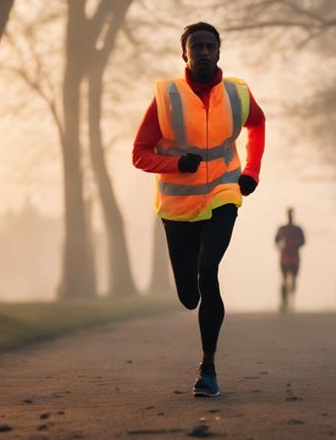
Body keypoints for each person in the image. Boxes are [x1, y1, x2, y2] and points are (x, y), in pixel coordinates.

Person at [132, 22, 265, 398]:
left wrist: (251, 171)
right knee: (189, 295)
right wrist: (176, 165)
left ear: (219, 52)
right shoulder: (166, 97)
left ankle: (208, 368)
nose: (204, 52)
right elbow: (139, 154)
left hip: (224, 193)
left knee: (209, 270)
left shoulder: (237, 93)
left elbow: (258, 124)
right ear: (185, 55)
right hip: (177, 205)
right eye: (197, 46)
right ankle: (194, 308)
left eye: (210, 46)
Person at [274, 207, 306, 313]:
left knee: (293, 280)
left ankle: (290, 301)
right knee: (284, 280)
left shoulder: (297, 229)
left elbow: (303, 242)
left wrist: (295, 245)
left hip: (294, 258)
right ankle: (284, 302)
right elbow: (276, 241)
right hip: (285, 258)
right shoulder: (282, 229)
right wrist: (282, 247)